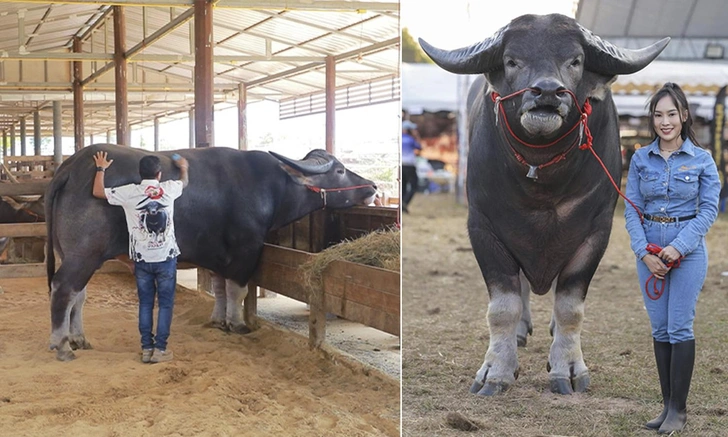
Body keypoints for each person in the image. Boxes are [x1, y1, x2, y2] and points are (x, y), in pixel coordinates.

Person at [624, 82, 720, 434]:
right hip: (649, 251)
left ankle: (679, 410)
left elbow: (709, 210)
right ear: (652, 119)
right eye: (658, 115)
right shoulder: (639, 158)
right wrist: (642, 252)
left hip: (687, 252)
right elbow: (631, 209)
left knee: (680, 326)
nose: (665, 122)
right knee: (660, 328)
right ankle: (665, 407)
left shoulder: (702, 160)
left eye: (671, 114)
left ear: (684, 116)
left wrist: (678, 246)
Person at [92, 151, 189, 364]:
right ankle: (160, 349)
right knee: (165, 304)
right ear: (159, 174)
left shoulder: (129, 193)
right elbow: (184, 182)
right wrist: (183, 167)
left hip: (142, 260)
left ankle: (146, 348)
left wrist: (101, 169)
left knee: (145, 304)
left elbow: (98, 191)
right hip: (166, 257)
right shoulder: (169, 189)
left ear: (139, 173)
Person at [401, 119, 422, 213]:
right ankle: (405, 202)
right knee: (414, 185)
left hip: (401, 164)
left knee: (403, 186)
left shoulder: (399, 138)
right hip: (409, 164)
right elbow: (419, 147)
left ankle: (402, 205)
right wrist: (416, 135)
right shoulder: (410, 139)